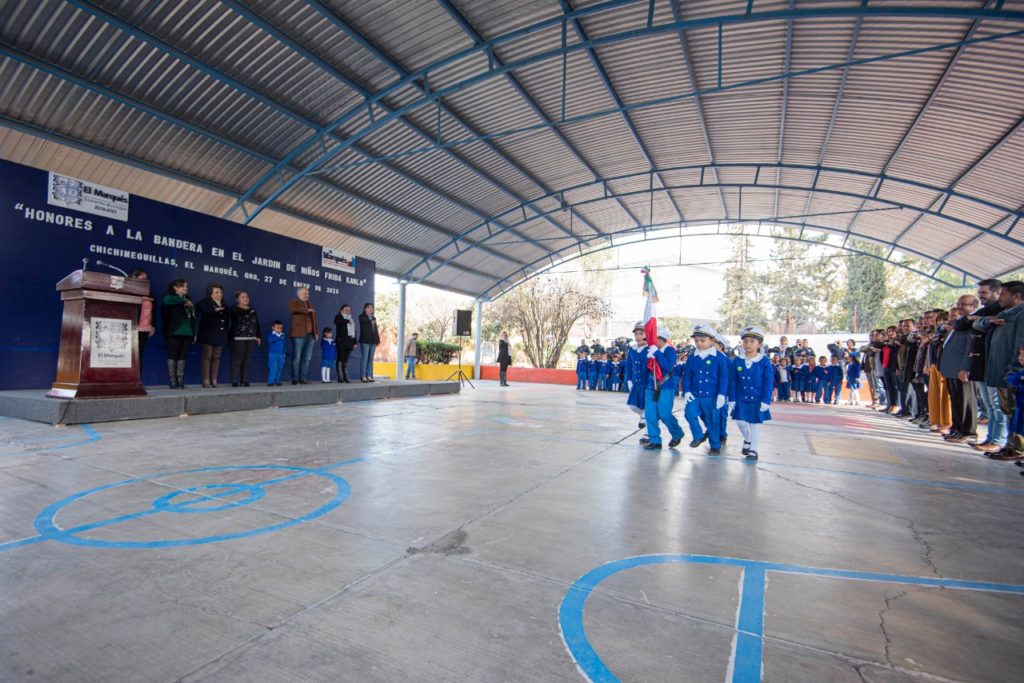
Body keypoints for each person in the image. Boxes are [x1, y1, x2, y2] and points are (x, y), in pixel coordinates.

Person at [975, 281, 1024, 461]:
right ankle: (1009, 445)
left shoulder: (1021, 315)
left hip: (1010, 373)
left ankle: (1016, 448)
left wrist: (1014, 370)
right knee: (1007, 410)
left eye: (1003, 294)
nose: (999, 298)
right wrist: (988, 320)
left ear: (1016, 296)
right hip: (999, 369)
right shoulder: (1005, 313)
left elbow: (1020, 344)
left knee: (1014, 412)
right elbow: (977, 324)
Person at [966, 279, 1005, 453]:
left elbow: (976, 323)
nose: (980, 296)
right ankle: (991, 437)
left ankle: (998, 440)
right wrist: (984, 320)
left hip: (996, 364)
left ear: (997, 292)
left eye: (984, 293)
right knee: (989, 405)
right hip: (982, 363)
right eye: (979, 292)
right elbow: (968, 322)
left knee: (997, 405)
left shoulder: (1005, 311)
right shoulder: (986, 311)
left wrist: (979, 320)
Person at [728, 326, 774, 461]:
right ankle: (747, 438)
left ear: (759, 344)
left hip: (757, 398)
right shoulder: (737, 360)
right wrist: (732, 398)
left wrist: (766, 400)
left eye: (752, 341)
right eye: (745, 341)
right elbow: (732, 381)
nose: (748, 344)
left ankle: (753, 449)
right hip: (741, 397)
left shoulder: (764, 361)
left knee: (754, 424)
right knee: (740, 422)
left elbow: (768, 382)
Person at [682, 324, 728, 455]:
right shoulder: (692, 357)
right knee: (689, 413)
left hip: (712, 396)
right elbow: (687, 376)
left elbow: (724, 377)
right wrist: (687, 391)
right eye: (696, 341)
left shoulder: (719, 357)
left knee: (712, 421)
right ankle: (698, 436)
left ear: (712, 341)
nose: (699, 343)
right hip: (695, 395)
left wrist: (722, 394)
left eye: (703, 340)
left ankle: (715, 446)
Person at [940, 296, 979, 443]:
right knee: (956, 401)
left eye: (964, 304)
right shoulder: (960, 323)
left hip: (962, 369)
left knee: (966, 401)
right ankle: (957, 429)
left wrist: (965, 367)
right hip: (951, 369)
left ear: (974, 306)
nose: (960, 306)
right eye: (958, 304)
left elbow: (970, 347)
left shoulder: (972, 323)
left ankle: (968, 432)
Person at [642, 327, 684, 451]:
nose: (650, 343)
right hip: (651, 386)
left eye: (653, 340)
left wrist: (656, 353)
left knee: (664, 414)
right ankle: (655, 440)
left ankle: (677, 433)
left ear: (661, 339)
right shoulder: (650, 349)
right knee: (650, 415)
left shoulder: (670, 351)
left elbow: (668, 366)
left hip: (665, 386)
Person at [162, 278, 196, 389]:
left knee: (182, 356)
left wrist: (194, 333)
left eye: (186, 286)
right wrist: (184, 301)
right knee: (172, 355)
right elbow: (167, 301)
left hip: (187, 333)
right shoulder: (171, 298)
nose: (186, 288)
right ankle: (172, 380)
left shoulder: (188, 299)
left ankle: (180, 379)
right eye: (183, 286)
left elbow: (194, 318)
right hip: (173, 332)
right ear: (175, 288)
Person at [196, 282, 229, 388]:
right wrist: (214, 310)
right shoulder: (205, 302)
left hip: (220, 335)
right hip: (208, 335)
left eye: (221, 292)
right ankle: (206, 380)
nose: (220, 294)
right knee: (207, 357)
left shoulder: (224, 305)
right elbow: (199, 307)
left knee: (217, 357)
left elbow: (226, 321)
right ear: (210, 294)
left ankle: (214, 379)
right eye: (217, 292)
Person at [229, 290, 261, 387]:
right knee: (238, 359)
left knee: (247, 360)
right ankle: (235, 381)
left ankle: (245, 380)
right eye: (243, 297)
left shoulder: (253, 310)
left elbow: (256, 324)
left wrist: (258, 336)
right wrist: (248, 311)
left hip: (251, 338)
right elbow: (238, 314)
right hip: (238, 338)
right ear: (237, 299)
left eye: (247, 297)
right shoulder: (234, 308)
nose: (245, 299)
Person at [289, 287, 319, 385]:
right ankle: (295, 379)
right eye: (305, 293)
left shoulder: (311, 305)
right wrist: (307, 310)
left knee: (307, 358)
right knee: (297, 357)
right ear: (299, 294)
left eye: (308, 293)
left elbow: (314, 321)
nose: (307, 295)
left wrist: (316, 332)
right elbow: (294, 310)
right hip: (298, 334)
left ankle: (303, 379)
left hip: (310, 335)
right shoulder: (294, 303)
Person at [624, 322, 649, 438]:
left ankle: (648, 433)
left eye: (641, 333)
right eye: (636, 334)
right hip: (636, 383)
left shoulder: (651, 348)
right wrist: (629, 380)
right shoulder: (632, 349)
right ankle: (643, 416)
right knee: (633, 405)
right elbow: (629, 365)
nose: (638, 336)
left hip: (647, 383)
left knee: (649, 409)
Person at [131, 269, 155, 377]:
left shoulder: (150, 293)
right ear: (134, 278)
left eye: (146, 279)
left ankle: (137, 379)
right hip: (131, 327)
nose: (145, 281)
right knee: (129, 354)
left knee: (139, 354)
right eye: (142, 279)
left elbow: (153, 311)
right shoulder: (129, 291)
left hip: (144, 328)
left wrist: (153, 325)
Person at [333, 304, 357, 383]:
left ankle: (345, 376)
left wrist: (355, 342)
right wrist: (347, 321)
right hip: (341, 342)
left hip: (349, 342)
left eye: (349, 310)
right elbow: (338, 322)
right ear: (341, 310)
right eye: (346, 310)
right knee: (340, 358)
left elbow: (354, 331)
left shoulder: (351, 319)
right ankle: (339, 376)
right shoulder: (338, 317)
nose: (348, 311)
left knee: (345, 360)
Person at [358, 302, 379, 382]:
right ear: (365, 309)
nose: (371, 309)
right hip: (365, 340)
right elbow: (364, 321)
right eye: (369, 307)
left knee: (371, 359)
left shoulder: (374, 318)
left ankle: (369, 375)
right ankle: (363, 376)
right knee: (365, 358)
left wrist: (377, 340)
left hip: (373, 341)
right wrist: (370, 321)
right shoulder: (362, 317)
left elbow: (375, 330)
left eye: (372, 308)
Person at [266, 320, 286, 386]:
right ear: (273, 328)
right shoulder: (271, 334)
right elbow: (270, 340)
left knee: (280, 367)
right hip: (273, 354)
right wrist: (278, 337)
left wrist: (284, 353)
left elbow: (284, 344)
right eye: (278, 328)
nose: (279, 329)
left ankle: (277, 380)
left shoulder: (283, 335)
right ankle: (271, 381)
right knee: (273, 367)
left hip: (281, 354)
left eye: (281, 328)